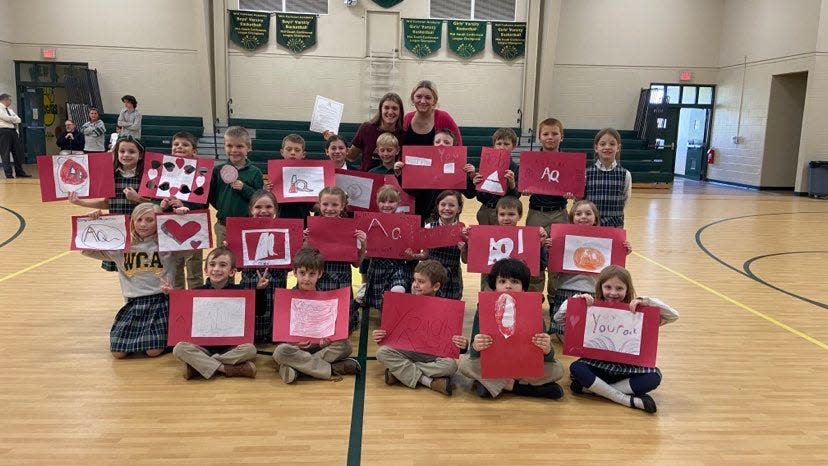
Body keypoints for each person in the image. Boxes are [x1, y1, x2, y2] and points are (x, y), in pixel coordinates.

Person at [553, 265, 679, 413]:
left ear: (627, 289)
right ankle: (627, 399)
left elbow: (673, 316)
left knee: (654, 376)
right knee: (576, 368)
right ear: (600, 287)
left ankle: (596, 390)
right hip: (597, 365)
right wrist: (575, 301)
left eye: (619, 288)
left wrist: (647, 302)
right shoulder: (591, 307)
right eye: (608, 287)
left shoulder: (638, 312)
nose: (613, 293)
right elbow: (558, 319)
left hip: (627, 370)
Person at [79, 202, 177, 358]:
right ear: (132, 222)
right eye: (139, 220)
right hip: (133, 303)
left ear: (159, 221)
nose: (143, 224)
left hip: (160, 302)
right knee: (118, 353)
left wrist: (182, 215)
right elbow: (86, 249)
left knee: (153, 351)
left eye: (149, 220)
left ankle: (171, 338)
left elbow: (195, 245)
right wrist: (93, 221)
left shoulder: (169, 245)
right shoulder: (121, 246)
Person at [458, 258, 565, 399]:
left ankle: (500, 385)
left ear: (524, 287)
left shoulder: (532, 309)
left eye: (515, 281)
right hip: (495, 363)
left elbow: (546, 357)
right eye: (502, 281)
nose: (508, 286)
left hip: (523, 365)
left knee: (558, 369)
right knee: (465, 364)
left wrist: (547, 350)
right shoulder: (483, 308)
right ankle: (525, 389)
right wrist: (476, 346)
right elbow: (474, 352)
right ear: (494, 286)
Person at [372, 260, 465, 396]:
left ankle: (399, 373)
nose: (415, 285)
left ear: (436, 286)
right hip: (407, 350)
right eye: (414, 280)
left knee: (451, 366)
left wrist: (463, 343)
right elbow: (390, 334)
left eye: (421, 282)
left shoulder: (447, 308)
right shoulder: (403, 302)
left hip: (433, 355)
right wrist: (380, 335)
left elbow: (453, 343)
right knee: (382, 353)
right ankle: (428, 382)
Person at [272, 247, 362, 384]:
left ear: (319, 274)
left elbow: (334, 330)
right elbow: (282, 333)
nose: (306, 279)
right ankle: (330, 368)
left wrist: (327, 340)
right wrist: (294, 342)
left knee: (345, 345)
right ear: (295, 273)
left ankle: (297, 369)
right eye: (302, 273)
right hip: (297, 347)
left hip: (320, 346)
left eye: (312, 274)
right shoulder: (287, 297)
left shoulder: (328, 299)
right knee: (280, 351)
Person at [170, 248, 262, 380]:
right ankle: (227, 369)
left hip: (230, 348)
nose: (216, 269)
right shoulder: (196, 292)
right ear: (206, 270)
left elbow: (259, 312)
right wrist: (170, 296)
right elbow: (183, 319)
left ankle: (199, 366)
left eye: (223, 265)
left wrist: (259, 291)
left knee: (250, 350)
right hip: (203, 347)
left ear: (232, 272)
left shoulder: (241, 291)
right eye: (212, 265)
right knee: (179, 348)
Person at [548, 200, 631, 338]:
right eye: (578, 214)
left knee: (590, 331)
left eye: (588, 213)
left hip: (593, 289)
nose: (583, 217)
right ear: (572, 219)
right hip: (567, 288)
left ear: (595, 218)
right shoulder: (562, 238)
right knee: (565, 335)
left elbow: (614, 270)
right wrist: (552, 248)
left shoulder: (606, 238)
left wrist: (623, 251)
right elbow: (554, 269)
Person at [70, 135, 148, 271]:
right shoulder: (111, 175)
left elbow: (155, 205)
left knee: (142, 269)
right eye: (122, 151)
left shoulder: (147, 176)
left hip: (141, 230)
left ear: (140, 155)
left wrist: (138, 199)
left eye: (131, 151)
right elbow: (107, 204)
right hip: (119, 231)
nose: (126, 155)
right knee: (123, 270)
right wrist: (80, 202)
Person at [525, 118, 573, 297]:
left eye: (555, 133)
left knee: (557, 257)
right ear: (539, 137)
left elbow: (576, 188)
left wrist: (571, 192)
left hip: (560, 213)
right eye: (546, 134)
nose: (550, 137)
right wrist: (525, 188)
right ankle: (534, 296)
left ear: (562, 136)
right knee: (534, 256)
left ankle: (555, 297)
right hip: (537, 213)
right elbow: (523, 184)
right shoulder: (532, 160)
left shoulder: (569, 162)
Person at [462, 196, 548, 292]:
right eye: (502, 214)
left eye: (511, 214)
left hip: (516, 288)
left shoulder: (528, 237)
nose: (506, 218)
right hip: (490, 287)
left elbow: (541, 265)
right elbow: (471, 259)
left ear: (519, 216)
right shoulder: (486, 236)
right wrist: (469, 240)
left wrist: (540, 245)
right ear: (497, 216)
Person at [238, 190, 287, 344]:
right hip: (250, 284)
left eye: (269, 207)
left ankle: (274, 334)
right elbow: (237, 267)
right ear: (251, 210)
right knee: (253, 317)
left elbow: (292, 267)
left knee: (274, 318)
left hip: (277, 285)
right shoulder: (240, 231)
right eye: (258, 207)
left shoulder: (286, 230)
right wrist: (231, 249)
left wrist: (301, 240)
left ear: (276, 210)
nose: (264, 211)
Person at [159, 131, 207, 289]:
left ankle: (195, 299)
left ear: (194, 151)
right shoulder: (164, 171)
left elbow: (204, 201)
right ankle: (178, 301)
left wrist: (187, 206)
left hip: (193, 223)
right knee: (175, 267)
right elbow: (155, 195)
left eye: (185, 144)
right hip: (169, 223)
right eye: (176, 144)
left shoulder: (202, 172)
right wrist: (163, 204)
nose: (179, 147)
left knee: (194, 268)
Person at [208, 126, 263, 246]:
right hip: (223, 225)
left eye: (239, 146)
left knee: (245, 259)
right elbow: (212, 196)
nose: (234, 150)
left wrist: (244, 188)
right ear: (224, 147)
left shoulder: (255, 172)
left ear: (248, 147)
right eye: (229, 146)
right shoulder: (217, 171)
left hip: (247, 224)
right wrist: (222, 207)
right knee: (223, 257)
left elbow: (259, 199)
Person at [406, 190, 465, 300]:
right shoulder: (429, 227)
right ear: (437, 206)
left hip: (451, 278)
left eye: (451, 205)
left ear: (459, 209)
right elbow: (425, 255)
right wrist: (413, 256)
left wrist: (464, 248)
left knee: (448, 309)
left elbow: (465, 260)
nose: (447, 208)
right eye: (443, 205)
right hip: (430, 277)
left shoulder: (462, 230)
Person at [363, 184, 413, 313]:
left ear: (398, 202)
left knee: (398, 291)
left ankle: (393, 320)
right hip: (377, 267)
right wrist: (365, 250)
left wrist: (410, 254)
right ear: (377, 202)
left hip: (398, 267)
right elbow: (364, 254)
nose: (387, 205)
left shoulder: (406, 223)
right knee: (382, 302)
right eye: (383, 201)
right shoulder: (370, 222)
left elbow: (412, 249)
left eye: (391, 201)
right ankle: (386, 320)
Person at [466, 128, 520, 225]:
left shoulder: (516, 169)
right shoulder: (485, 166)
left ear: (514, 146)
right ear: (494, 145)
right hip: (485, 210)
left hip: (504, 213)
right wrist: (475, 182)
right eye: (499, 144)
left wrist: (512, 184)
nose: (502, 147)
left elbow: (516, 197)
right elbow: (479, 196)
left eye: (506, 144)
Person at [341, 92, 405, 172]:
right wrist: (335, 142)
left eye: (394, 108)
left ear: (400, 112)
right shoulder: (366, 128)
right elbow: (351, 156)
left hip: (391, 182)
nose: (390, 112)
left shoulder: (403, 135)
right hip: (367, 180)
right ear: (380, 110)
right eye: (386, 108)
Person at [584, 128, 631, 228]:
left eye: (612, 144)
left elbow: (625, 199)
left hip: (614, 225)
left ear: (618, 148)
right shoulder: (586, 173)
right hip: (591, 224)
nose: (607, 147)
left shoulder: (625, 174)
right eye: (602, 144)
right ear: (596, 148)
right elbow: (580, 200)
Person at [402, 80, 462, 146]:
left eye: (428, 97)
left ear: (434, 100)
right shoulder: (407, 118)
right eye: (419, 96)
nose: (422, 101)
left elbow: (458, 146)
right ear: (413, 99)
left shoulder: (444, 118)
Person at [276, 133, 315, 223]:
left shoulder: (310, 175)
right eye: (289, 149)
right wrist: (269, 192)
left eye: (297, 150)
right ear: (282, 152)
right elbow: (272, 204)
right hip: (281, 221)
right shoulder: (275, 173)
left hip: (304, 223)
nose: (293, 153)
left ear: (303, 154)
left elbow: (312, 207)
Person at [0, 93, 31, 179]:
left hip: (13, 131)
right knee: (5, 153)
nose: (11, 101)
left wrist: (13, 119)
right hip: (3, 131)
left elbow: (19, 119)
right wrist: (13, 119)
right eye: (10, 99)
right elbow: (6, 118)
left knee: (17, 153)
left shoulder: (9, 110)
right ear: (5, 100)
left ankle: (19, 172)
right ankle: (9, 174)